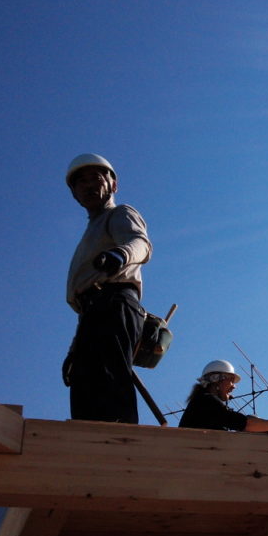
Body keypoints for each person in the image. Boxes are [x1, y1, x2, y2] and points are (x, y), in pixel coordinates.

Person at [61, 153, 152, 423]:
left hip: (114, 301)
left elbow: (141, 243)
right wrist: (74, 347)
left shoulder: (119, 213)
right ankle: (87, 453)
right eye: (80, 182)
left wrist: (120, 255)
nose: (88, 185)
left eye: (96, 178)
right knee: (85, 392)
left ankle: (120, 447)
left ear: (113, 185)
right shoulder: (91, 232)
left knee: (110, 384)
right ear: (75, 194)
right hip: (92, 312)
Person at [179, 360, 268, 432]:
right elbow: (245, 423)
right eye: (231, 381)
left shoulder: (203, 402)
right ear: (217, 380)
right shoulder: (206, 402)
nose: (234, 387)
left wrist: (266, 428)